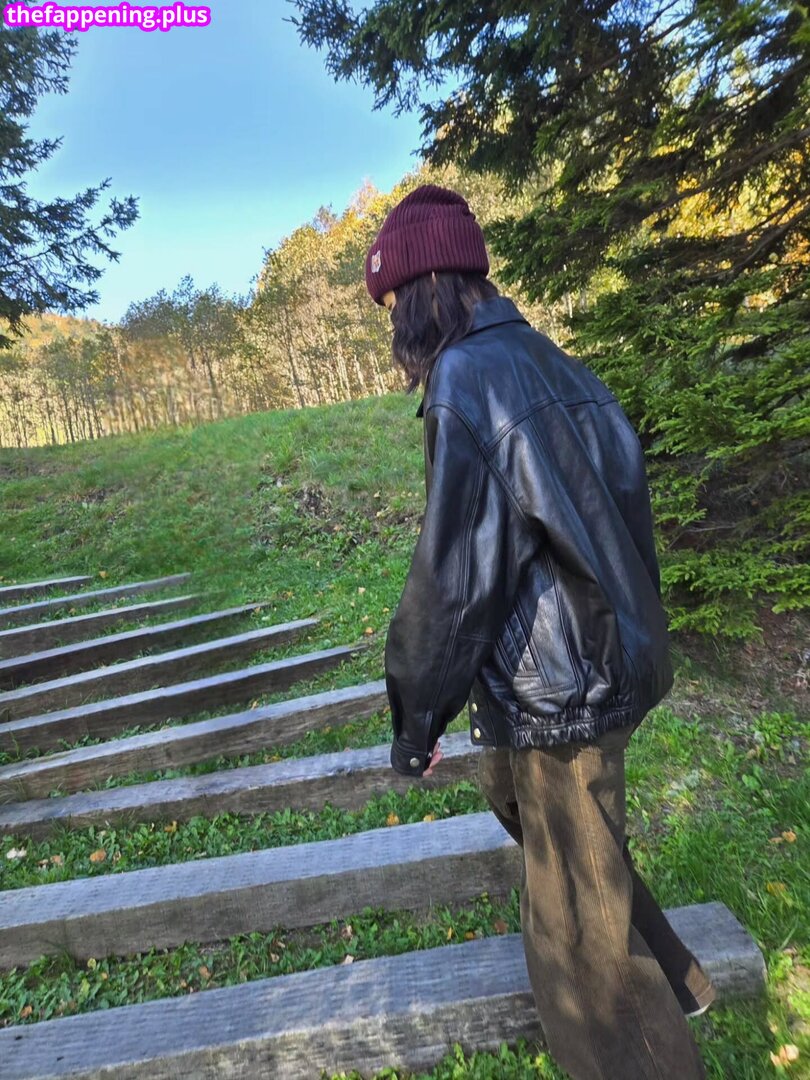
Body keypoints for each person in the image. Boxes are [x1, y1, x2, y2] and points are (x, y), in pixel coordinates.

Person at [364, 184, 715, 1080]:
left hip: (559, 690)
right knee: (544, 829)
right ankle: (681, 973)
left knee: (577, 944)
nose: (394, 326)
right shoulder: (560, 366)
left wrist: (415, 724)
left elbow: (455, 581)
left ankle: (640, 1053)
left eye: (394, 303)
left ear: (427, 289)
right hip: (589, 665)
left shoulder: (466, 381)